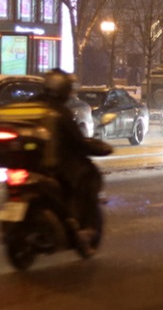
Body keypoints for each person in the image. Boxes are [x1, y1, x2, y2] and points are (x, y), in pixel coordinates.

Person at [38, 68, 111, 255]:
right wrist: (96, 147)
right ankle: (81, 226)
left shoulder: (32, 105)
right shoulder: (59, 113)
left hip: (32, 165)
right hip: (56, 166)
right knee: (88, 178)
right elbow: (76, 141)